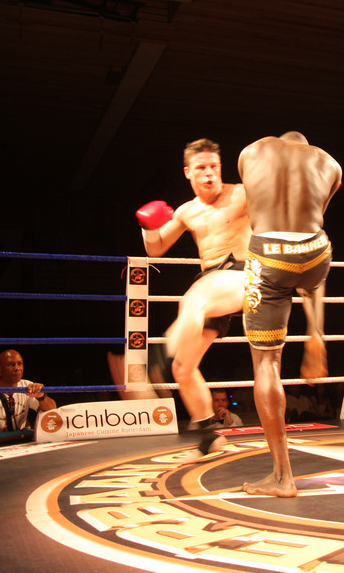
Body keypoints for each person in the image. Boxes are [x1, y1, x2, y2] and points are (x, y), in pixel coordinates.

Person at [238, 131, 341, 497]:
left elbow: (253, 205)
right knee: (311, 261)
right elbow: (316, 212)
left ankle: (282, 476)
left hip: (268, 253)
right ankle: (316, 332)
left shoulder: (251, 152)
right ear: (306, 146)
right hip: (316, 252)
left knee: (266, 363)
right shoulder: (330, 163)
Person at [135, 138, 251, 458]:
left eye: (214, 167)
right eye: (201, 168)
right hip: (210, 282)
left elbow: (281, 200)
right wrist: (148, 225)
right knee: (184, 368)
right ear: (188, 172)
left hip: (243, 274)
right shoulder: (187, 211)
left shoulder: (243, 193)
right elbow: (155, 249)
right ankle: (209, 437)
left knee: (191, 301)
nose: (209, 173)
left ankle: (155, 362)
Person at [0, 349, 57, 445]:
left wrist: (41, 397)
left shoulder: (27, 386)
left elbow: (53, 411)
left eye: (20, 364)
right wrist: (21, 434)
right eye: (11, 365)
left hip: (18, 445)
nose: (17, 368)